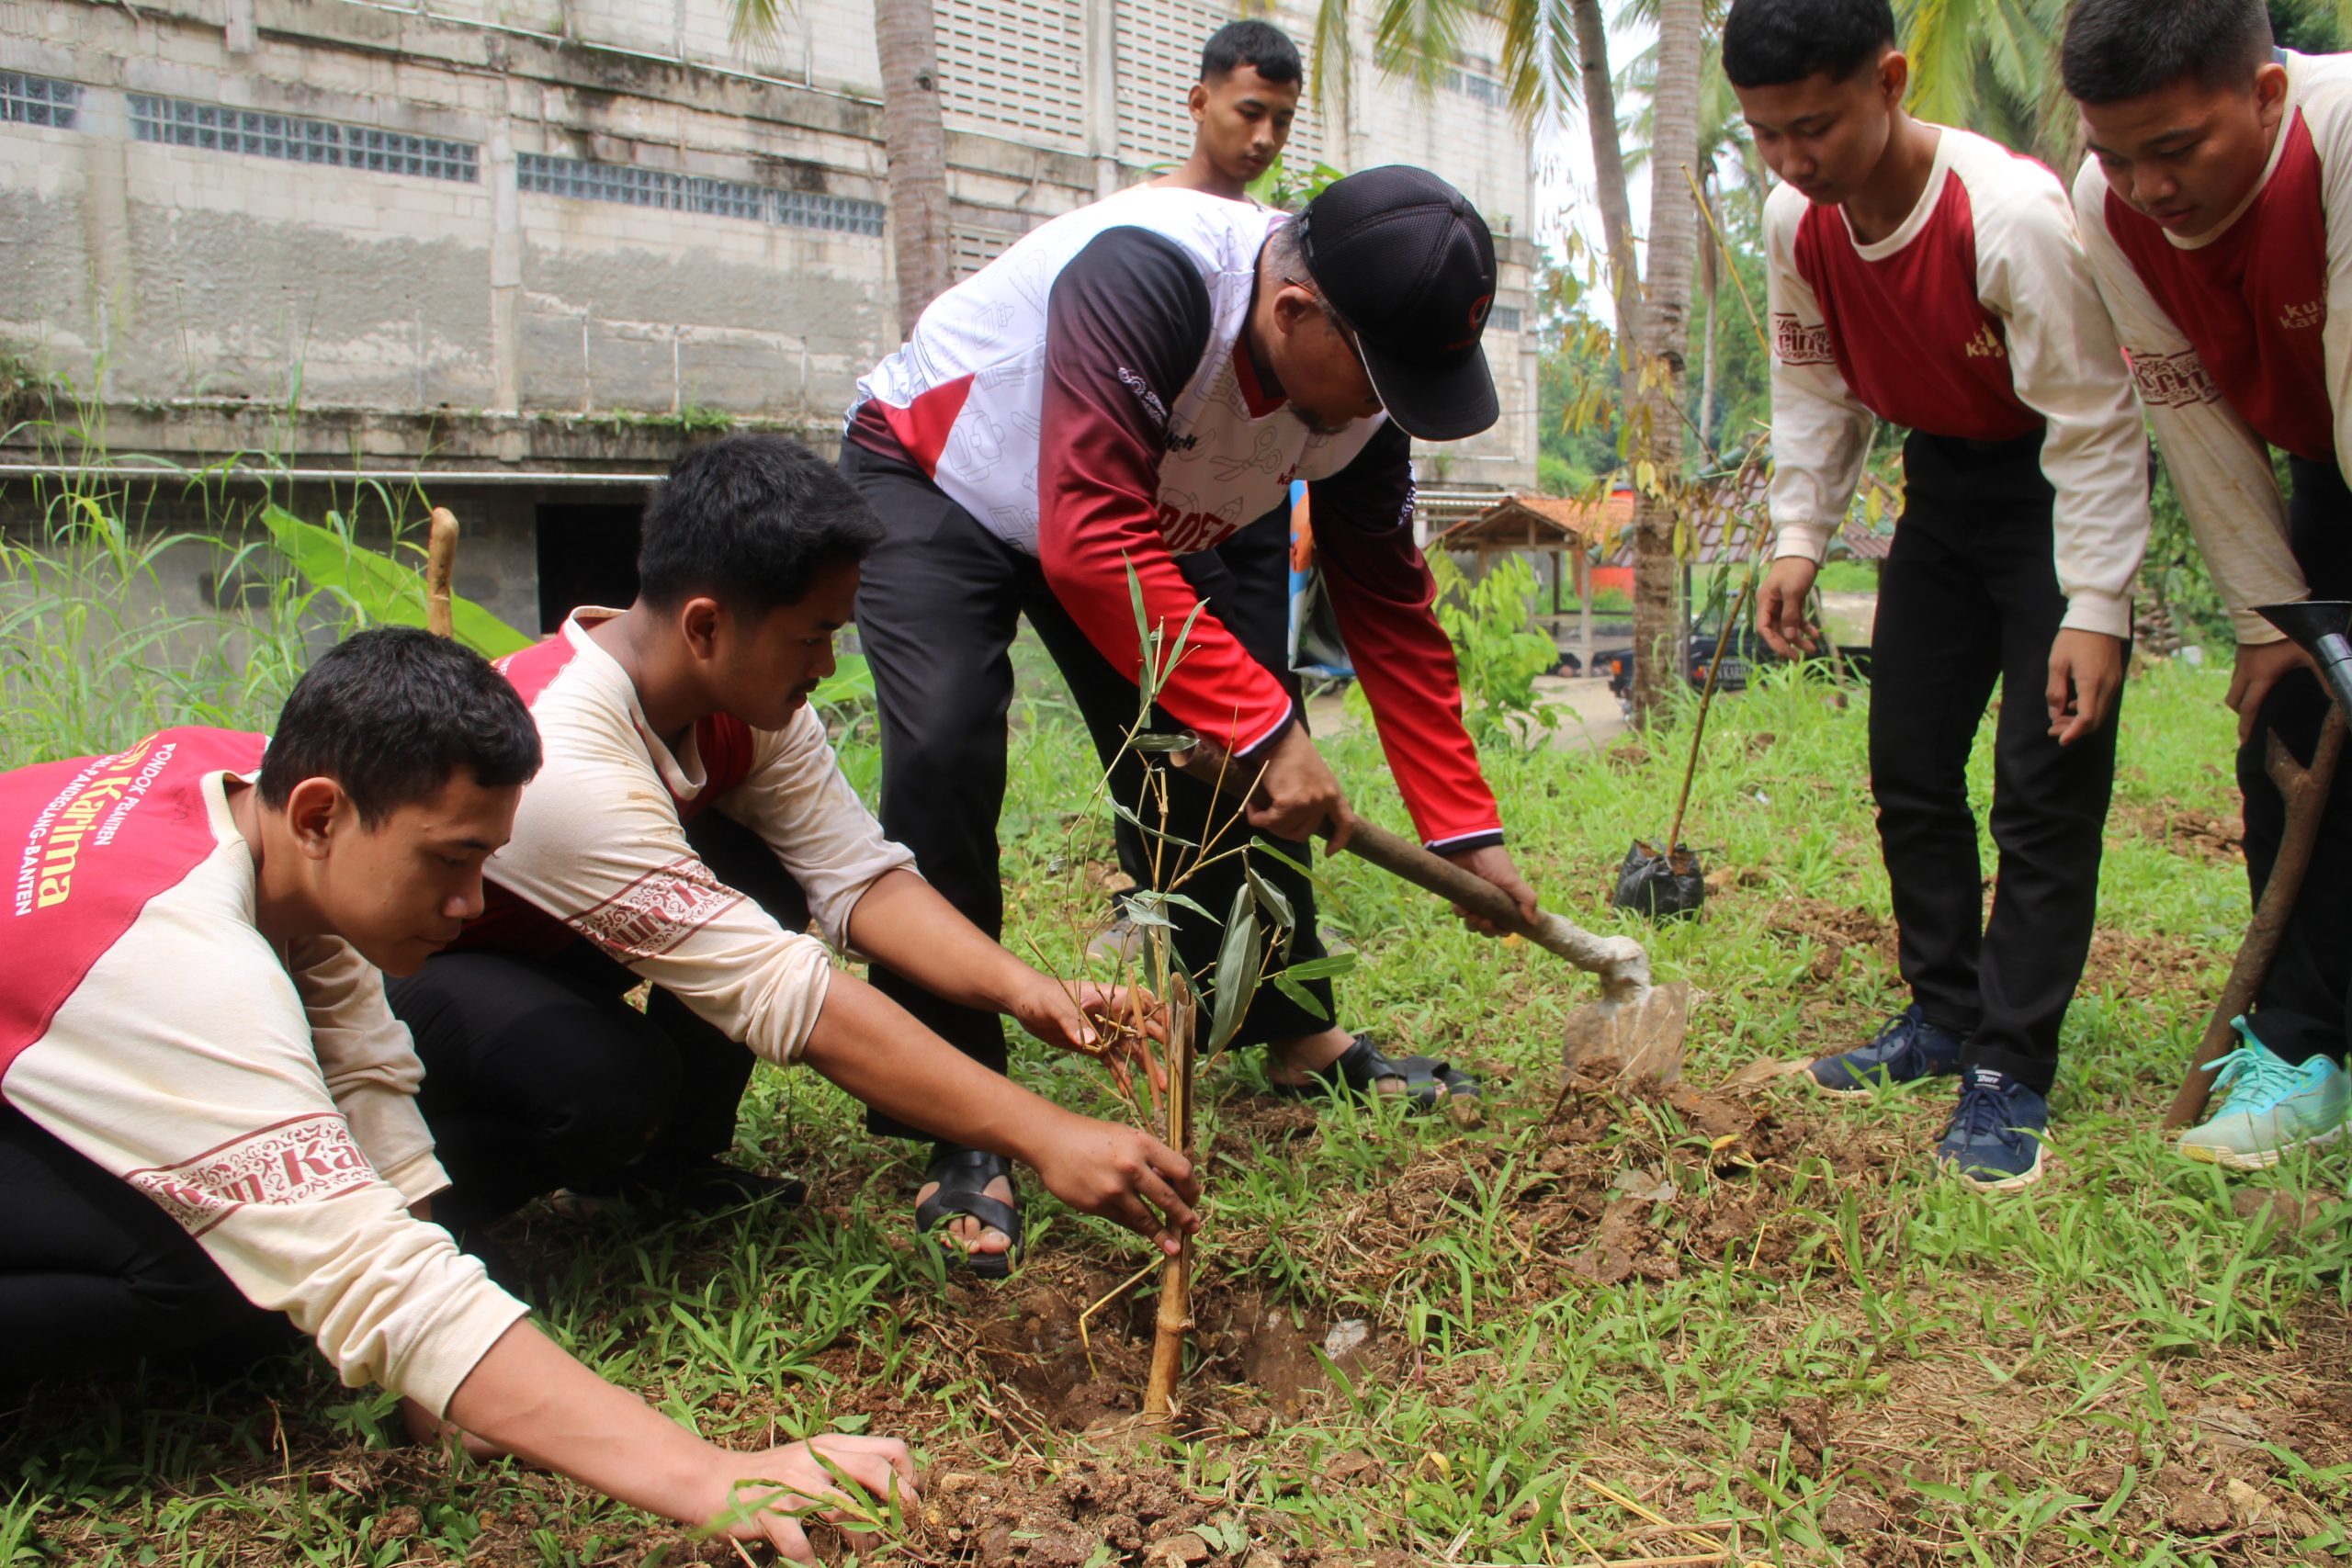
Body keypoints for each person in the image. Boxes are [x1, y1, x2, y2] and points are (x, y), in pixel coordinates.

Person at [0, 628, 916, 1561]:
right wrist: (711, 1476)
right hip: (74, 1015)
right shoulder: (174, 961)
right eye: (450, 860)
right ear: (319, 817)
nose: (474, 902)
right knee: (219, 1271)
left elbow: (361, 1061)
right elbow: (366, 1274)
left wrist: (428, 1383)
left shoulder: (247, 784)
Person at [841, 164, 1542, 1264]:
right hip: (944, 477)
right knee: (944, 744)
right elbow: (1087, 533)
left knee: (1207, 768)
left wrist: (1469, 836)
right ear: (1295, 310)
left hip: (1124, 520)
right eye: (1376, 375)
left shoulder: (1363, 406)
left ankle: (1293, 1032)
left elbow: (1391, 618)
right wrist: (1269, 726)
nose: (1379, 406)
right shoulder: (1155, 278)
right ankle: (958, 1114)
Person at [385, 434, 1199, 1280]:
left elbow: (857, 874)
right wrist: (1046, 1136)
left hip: (555, 948)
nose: (828, 663)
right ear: (706, 624)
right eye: (813, 637)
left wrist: (1027, 990)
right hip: (419, 983)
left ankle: (659, 1169)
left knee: (756, 863)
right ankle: (421, 1206)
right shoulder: (565, 754)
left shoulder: (745, 704)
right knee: (608, 1081)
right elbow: (784, 993)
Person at [1724, 0, 2152, 1188]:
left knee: (2043, 782)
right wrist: (1800, 535)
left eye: (1815, 127)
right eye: (1767, 136)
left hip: (2052, 491)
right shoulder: (1795, 222)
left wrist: (2098, 603)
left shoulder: (2004, 214)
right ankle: (1944, 1016)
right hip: (1943, 489)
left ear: (1892, 80)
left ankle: (2011, 1065)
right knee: (1910, 762)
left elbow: (2098, 417)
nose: (1795, 161)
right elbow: (1810, 382)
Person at [2064, 0, 2352, 1168]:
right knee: (2287, 727)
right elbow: (2183, 404)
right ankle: (2300, 1049)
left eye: (2174, 151)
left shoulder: (2342, 140)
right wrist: (2263, 613)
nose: (2144, 185)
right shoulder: (2109, 211)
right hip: (2323, 460)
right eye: (2114, 153)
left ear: (2266, 97)